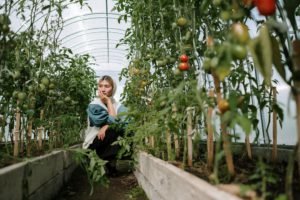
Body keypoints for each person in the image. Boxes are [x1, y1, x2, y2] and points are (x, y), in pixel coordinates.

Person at [82, 75, 127, 175]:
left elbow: (126, 123)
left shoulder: (119, 106)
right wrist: (108, 102)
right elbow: (99, 122)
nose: (103, 89)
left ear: (113, 88)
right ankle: (93, 158)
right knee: (113, 130)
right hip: (94, 143)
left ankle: (110, 164)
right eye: (100, 86)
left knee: (121, 131)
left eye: (106, 86)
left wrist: (106, 126)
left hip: (107, 140)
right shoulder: (94, 105)